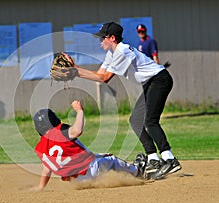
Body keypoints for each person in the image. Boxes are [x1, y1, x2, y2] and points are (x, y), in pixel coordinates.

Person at [63, 22, 181, 180]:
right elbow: (99, 73)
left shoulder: (122, 51)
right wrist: (74, 68)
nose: (100, 41)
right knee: (135, 120)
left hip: (160, 80)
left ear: (112, 38)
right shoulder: (112, 53)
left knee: (150, 121)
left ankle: (169, 158)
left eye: (102, 38)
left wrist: (75, 72)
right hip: (152, 82)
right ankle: (153, 158)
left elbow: (104, 78)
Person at [32, 100, 146, 190]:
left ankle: (122, 173)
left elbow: (46, 169)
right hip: (90, 170)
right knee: (112, 159)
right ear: (54, 120)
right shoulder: (59, 130)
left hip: (74, 181)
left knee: (96, 156)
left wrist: (40, 187)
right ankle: (137, 171)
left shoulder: (40, 148)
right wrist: (79, 111)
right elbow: (77, 131)